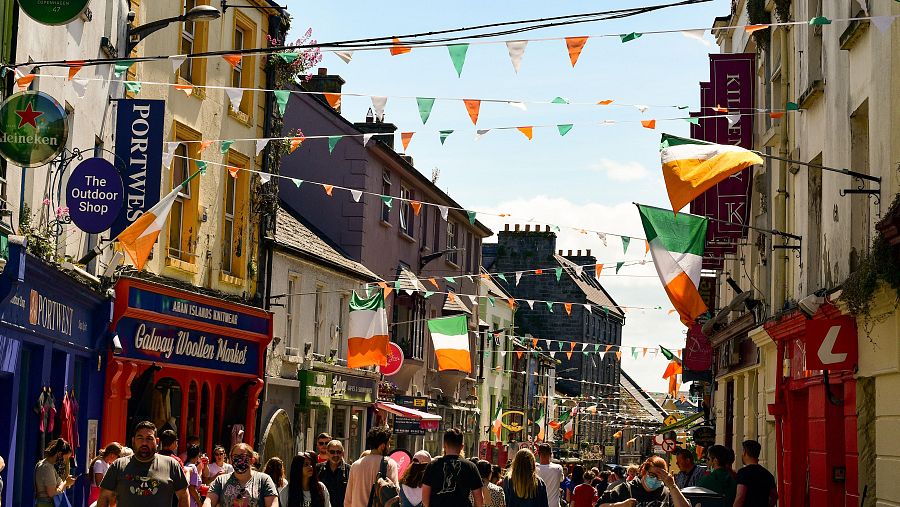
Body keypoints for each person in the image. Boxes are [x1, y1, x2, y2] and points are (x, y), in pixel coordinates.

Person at [97, 421, 189, 507]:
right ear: (133, 440)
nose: (144, 443)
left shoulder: (171, 465)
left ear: (156, 441)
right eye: (140, 438)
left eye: (149, 438)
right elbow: (104, 496)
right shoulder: (118, 465)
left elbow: (183, 495)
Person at [203, 443, 278, 507]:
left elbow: (273, 504)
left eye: (242, 456)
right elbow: (209, 501)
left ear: (252, 460)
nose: (238, 459)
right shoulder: (221, 480)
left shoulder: (264, 480)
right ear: (231, 460)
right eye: (235, 456)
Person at [422, 429, 483, 507]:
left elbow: (425, 498)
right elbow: (479, 499)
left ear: (444, 445)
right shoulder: (470, 467)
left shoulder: (432, 465)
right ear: (462, 446)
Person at [597, 456, 690, 507]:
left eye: (660, 477)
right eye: (652, 475)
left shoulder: (667, 493)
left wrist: (673, 486)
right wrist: (621, 505)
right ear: (644, 472)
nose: (655, 480)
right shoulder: (625, 489)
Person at [345, 426, 399, 507]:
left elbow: (348, 500)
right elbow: (395, 495)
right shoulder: (390, 464)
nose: (389, 447)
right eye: (388, 444)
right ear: (382, 446)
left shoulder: (355, 465)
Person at [34, 438, 77, 507]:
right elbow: (51, 493)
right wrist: (66, 483)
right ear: (59, 454)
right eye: (65, 458)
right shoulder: (47, 467)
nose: (65, 462)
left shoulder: (47, 465)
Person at [734, 440, 776, 507]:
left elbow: (740, 496)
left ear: (744, 452)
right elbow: (774, 496)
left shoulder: (743, 472)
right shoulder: (768, 474)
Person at [318, 440, 351, 507]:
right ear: (327, 452)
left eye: (338, 452)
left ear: (342, 453)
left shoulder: (350, 470)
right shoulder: (318, 469)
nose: (335, 455)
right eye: (332, 452)